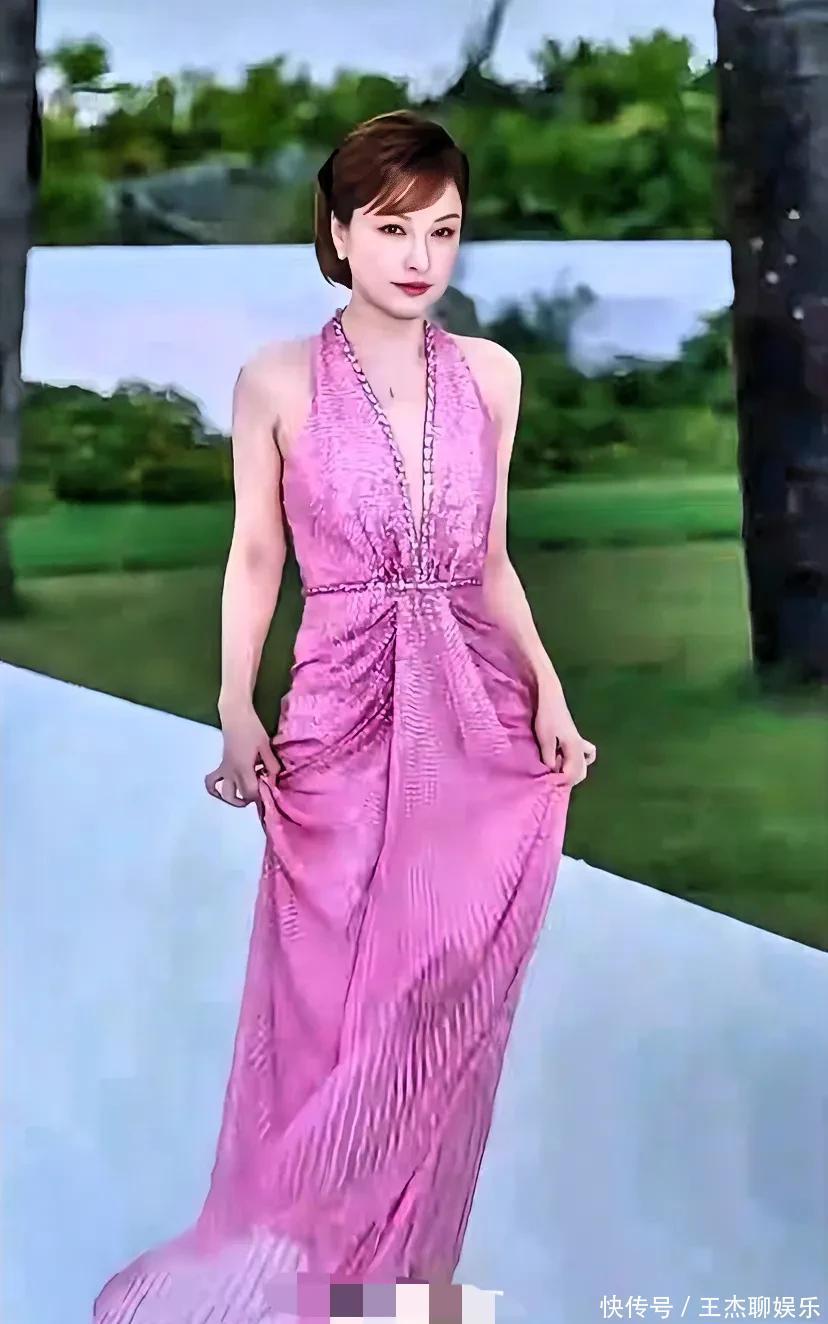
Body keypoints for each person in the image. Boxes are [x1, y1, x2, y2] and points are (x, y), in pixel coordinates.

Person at [92, 108, 596, 1323]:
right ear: (337, 231)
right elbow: (256, 554)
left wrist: (549, 686)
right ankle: (295, 1278)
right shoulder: (275, 378)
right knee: (329, 1002)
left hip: (472, 709)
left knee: (446, 989)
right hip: (337, 704)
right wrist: (234, 703)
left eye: (444, 231)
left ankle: (400, 1292)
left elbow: (490, 559)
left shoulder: (491, 374)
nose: (419, 256)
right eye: (391, 228)